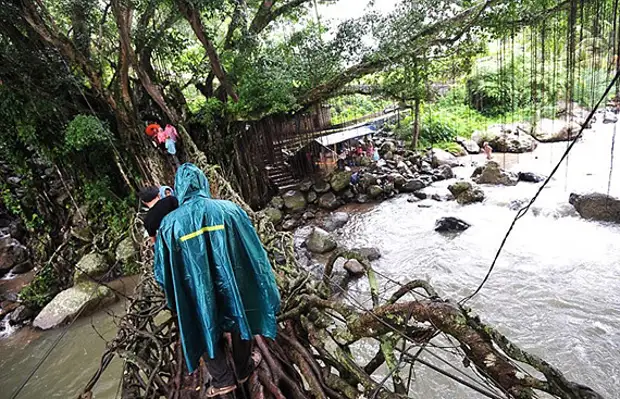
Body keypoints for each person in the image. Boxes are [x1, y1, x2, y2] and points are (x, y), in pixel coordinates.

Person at [154, 164, 280, 398]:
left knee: (200, 321)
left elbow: (161, 272)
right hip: (233, 283)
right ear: (204, 183)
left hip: (197, 289)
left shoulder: (169, 225)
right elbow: (254, 251)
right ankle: (243, 368)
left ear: (179, 189)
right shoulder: (229, 209)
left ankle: (222, 380)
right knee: (240, 315)